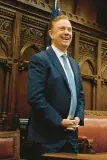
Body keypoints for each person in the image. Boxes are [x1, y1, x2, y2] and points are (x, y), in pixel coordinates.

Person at [27, 15, 85, 159]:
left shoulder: (74, 64)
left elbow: (80, 96)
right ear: (51, 34)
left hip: (71, 138)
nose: (67, 32)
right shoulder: (40, 59)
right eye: (62, 29)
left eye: (70, 29)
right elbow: (35, 97)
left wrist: (78, 116)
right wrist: (59, 121)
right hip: (47, 138)